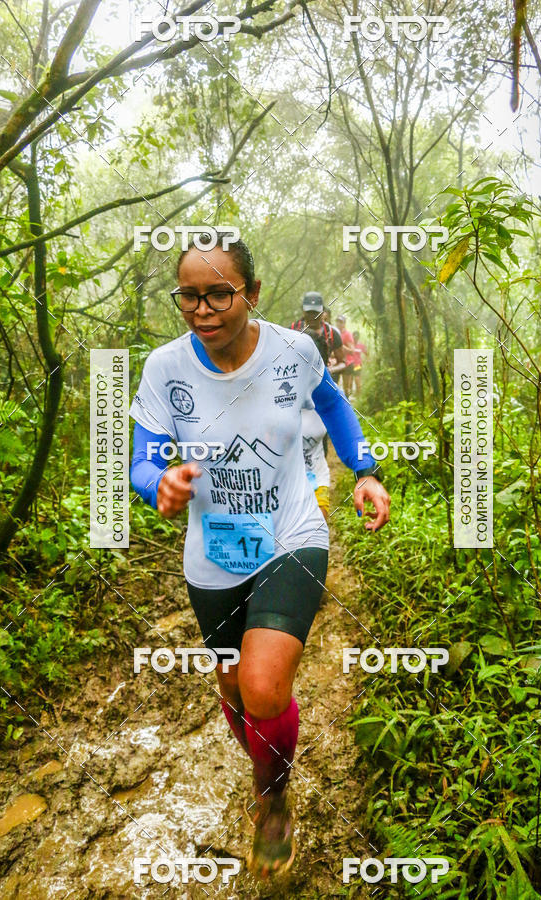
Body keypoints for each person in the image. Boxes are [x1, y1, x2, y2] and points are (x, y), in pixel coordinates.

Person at [129, 235, 389, 880]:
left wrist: (364, 468)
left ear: (252, 294)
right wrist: (154, 482)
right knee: (232, 687)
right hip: (213, 553)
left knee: (263, 685)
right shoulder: (165, 367)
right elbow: (142, 454)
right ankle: (272, 765)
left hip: (291, 534)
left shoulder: (295, 350)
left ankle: (272, 801)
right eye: (189, 295)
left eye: (220, 292)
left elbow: (330, 402)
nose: (203, 308)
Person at [291, 293, 345, 384]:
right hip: (297, 382)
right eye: (309, 312)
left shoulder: (331, 333)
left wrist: (330, 370)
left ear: (323, 312)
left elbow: (342, 363)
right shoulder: (292, 330)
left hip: (322, 382)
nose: (312, 316)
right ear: (303, 311)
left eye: (315, 313)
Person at [335, 315, 356, 396]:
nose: (339, 323)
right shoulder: (334, 332)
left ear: (344, 324)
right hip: (337, 363)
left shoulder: (347, 334)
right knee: (335, 386)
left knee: (346, 388)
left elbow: (352, 351)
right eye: (337, 321)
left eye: (341, 322)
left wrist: (341, 345)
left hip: (348, 363)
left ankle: (347, 406)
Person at [350, 330, 368, 396]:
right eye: (354, 336)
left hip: (358, 365)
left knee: (357, 379)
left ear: (358, 337)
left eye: (357, 336)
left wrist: (368, 360)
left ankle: (359, 394)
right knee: (350, 380)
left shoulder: (361, 345)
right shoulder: (350, 345)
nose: (355, 337)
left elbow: (366, 353)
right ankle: (350, 394)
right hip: (350, 364)